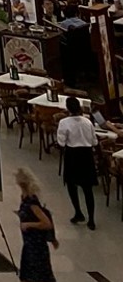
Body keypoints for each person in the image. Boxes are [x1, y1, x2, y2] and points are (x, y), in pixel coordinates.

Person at [7, 168, 84, 282]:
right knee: (25, 281)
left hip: (36, 248)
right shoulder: (26, 199)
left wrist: (29, 224)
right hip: (29, 247)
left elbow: (46, 222)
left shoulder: (32, 203)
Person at [57, 97, 98, 229]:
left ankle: (78, 212)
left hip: (72, 155)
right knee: (88, 190)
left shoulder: (64, 123)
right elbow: (94, 142)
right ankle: (91, 219)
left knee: (71, 186)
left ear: (67, 108)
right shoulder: (87, 122)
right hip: (86, 156)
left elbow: (61, 142)